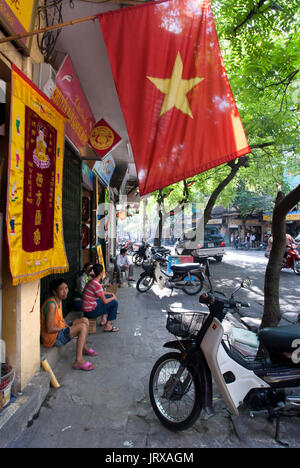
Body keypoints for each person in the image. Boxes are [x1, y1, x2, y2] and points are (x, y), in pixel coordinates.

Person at [41, 278, 98, 372]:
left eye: (66, 288)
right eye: (61, 289)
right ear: (54, 292)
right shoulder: (52, 305)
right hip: (52, 337)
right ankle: (78, 361)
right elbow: (50, 329)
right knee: (82, 327)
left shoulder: (58, 300)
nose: (65, 291)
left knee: (85, 320)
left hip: (60, 329)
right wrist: (65, 327)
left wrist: (67, 325)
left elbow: (61, 318)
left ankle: (84, 348)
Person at [82, 264, 119, 332]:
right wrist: (113, 298)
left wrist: (110, 293)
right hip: (91, 311)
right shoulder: (97, 284)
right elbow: (104, 301)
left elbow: (100, 292)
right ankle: (108, 326)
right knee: (114, 303)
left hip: (86, 310)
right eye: (103, 271)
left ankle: (104, 319)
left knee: (108, 297)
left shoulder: (91, 281)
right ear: (101, 273)